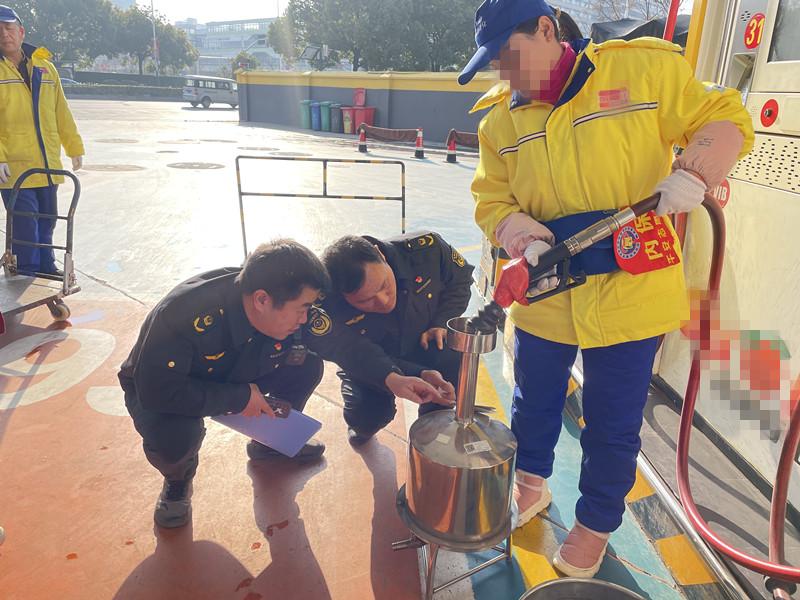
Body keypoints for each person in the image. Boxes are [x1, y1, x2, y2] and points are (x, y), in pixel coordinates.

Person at [458, 0, 754, 578]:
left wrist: (695, 170)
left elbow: (724, 119)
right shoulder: (500, 122)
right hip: (547, 291)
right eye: (494, 65)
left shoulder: (642, 72)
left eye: (509, 57)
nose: (505, 75)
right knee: (533, 403)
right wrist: (519, 233)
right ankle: (531, 485)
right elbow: (490, 200)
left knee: (612, 422)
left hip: (631, 294)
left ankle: (595, 525)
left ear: (547, 29)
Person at [119, 240, 448, 528]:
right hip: (170, 387)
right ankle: (177, 482)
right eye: (302, 309)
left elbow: (344, 344)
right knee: (176, 438)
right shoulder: (184, 314)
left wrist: (393, 378)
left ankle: (270, 441)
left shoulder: (291, 306)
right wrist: (237, 397)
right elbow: (158, 390)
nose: (306, 318)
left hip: (241, 367)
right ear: (262, 300)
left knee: (305, 365)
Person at [320, 232, 474, 445]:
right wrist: (392, 376)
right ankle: (362, 422)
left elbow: (460, 280)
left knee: (449, 357)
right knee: (367, 419)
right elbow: (352, 351)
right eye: (366, 301)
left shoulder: (427, 251)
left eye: (383, 285)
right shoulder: (327, 304)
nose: (383, 302)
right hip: (372, 359)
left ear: (380, 254)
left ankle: (432, 431)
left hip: (423, 342)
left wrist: (442, 321)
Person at [0, 5, 84, 276]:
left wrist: (74, 147)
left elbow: (61, 111)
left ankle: (46, 267)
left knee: (48, 222)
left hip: (48, 166)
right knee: (26, 227)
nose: (4, 34)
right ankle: (29, 275)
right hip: (14, 170)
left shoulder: (45, 68)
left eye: (9, 27)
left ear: (21, 32)